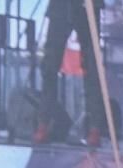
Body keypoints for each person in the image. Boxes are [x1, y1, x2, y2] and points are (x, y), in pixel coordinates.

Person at [39, 0, 109, 145]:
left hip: (88, 5)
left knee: (92, 64)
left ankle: (94, 128)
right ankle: (44, 123)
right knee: (50, 64)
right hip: (62, 6)